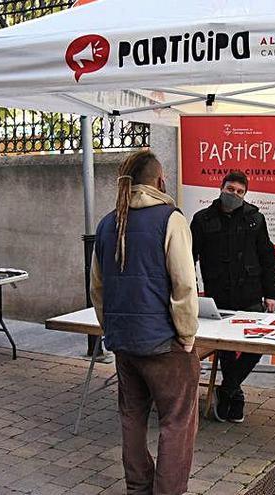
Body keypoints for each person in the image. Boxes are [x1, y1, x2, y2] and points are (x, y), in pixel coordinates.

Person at [90, 150, 199, 495]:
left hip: (124, 342)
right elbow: (184, 285)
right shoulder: (171, 219)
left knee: (131, 417)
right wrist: (187, 336)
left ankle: (138, 487)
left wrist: (110, 328)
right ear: (159, 180)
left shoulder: (108, 223)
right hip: (164, 342)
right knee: (177, 422)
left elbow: (97, 287)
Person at [190, 171, 275, 423]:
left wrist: (271, 293)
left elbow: (267, 257)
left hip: (250, 294)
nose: (234, 195)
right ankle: (235, 398)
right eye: (231, 189)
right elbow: (189, 258)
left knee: (258, 345)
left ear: (245, 194)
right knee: (226, 349)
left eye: (240, 192)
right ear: (221, 188)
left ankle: (227, 388)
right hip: (219, 296)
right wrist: (189, 290)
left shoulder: (255, 219)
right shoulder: (202, 219)